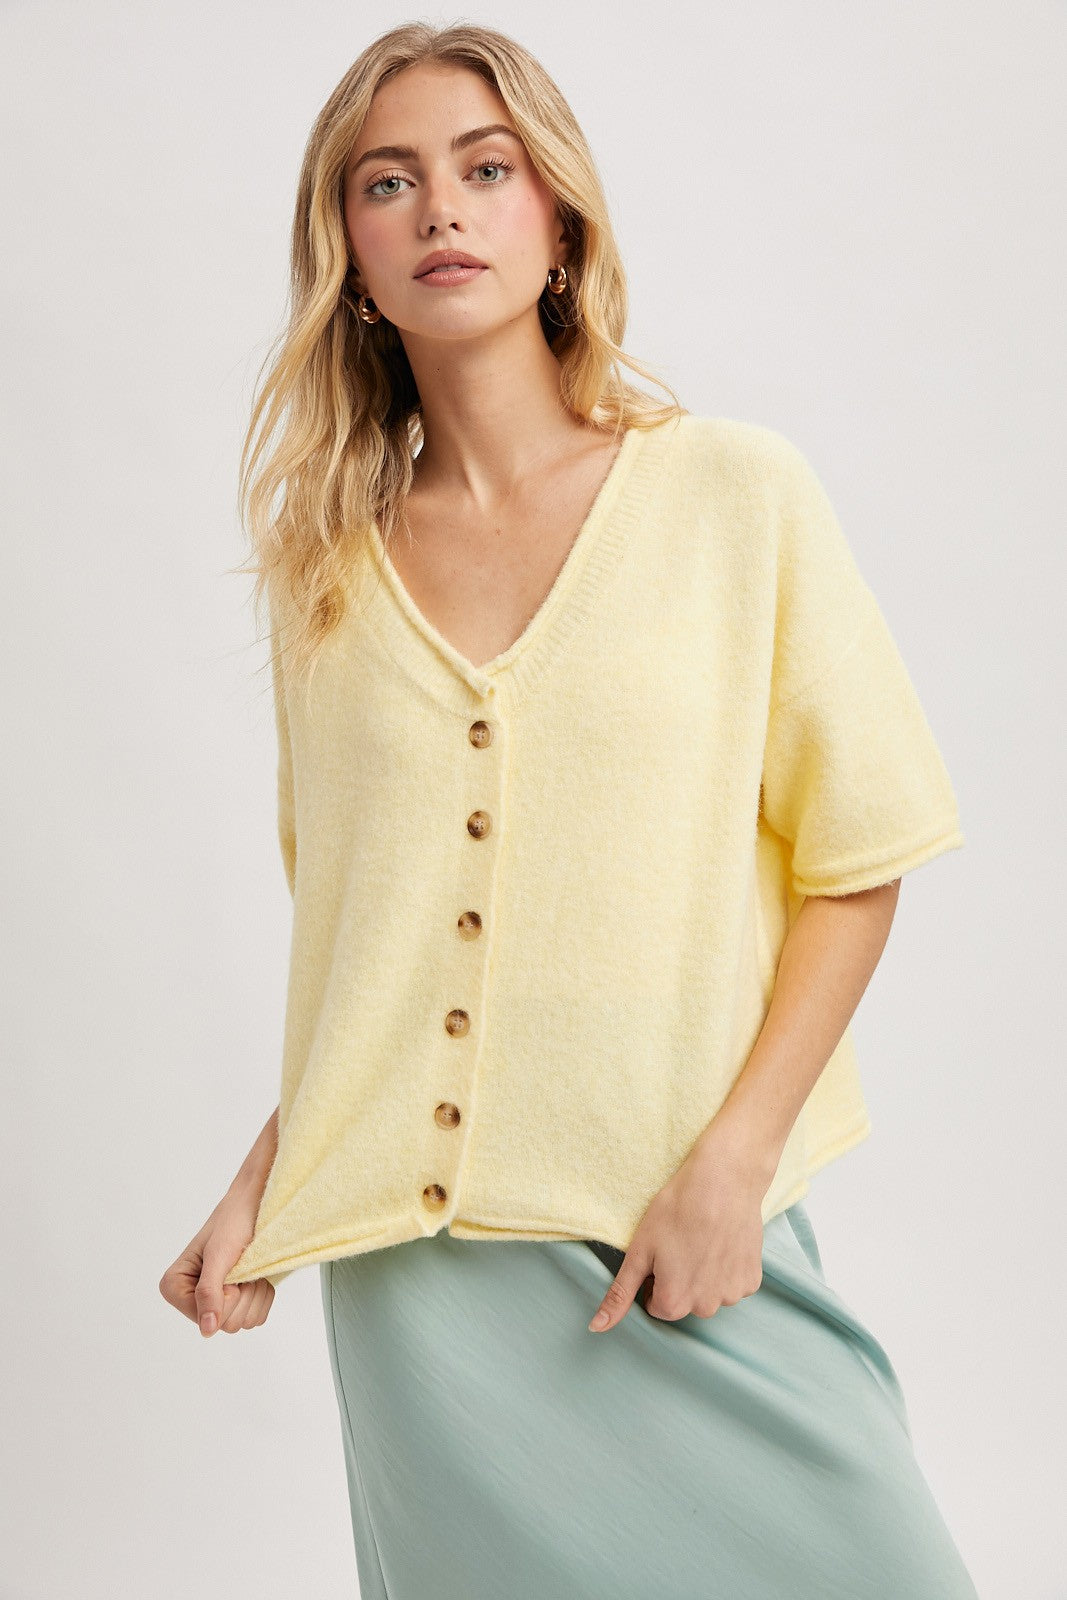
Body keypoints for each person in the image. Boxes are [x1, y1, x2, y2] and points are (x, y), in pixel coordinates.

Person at [159, 22, 981, 1599]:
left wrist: (735, 1168)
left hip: (683, 1231)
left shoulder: (734, 496)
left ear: (559, 223)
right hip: (422, 1298)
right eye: (388, 183)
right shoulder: (324, 584)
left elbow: (857, 864)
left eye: (486, 168)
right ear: (352, 262)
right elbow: (368, 955)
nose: (440, 208)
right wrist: (267, 1182)